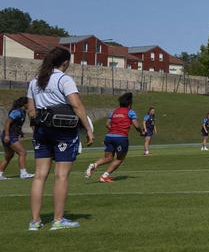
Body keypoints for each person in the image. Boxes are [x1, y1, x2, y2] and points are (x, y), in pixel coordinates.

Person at [26, 47, 94, 231]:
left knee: (39, 176)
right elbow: (77, 105)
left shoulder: (35, 81)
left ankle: (35, 221)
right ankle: (58, 220)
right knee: (61, 176)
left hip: (41, 130)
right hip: (62, 131)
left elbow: (31, 111)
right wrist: (88, 129)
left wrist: (36, 130)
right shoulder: (64, 79)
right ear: (65, 62)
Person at [85, 92, 145, 183]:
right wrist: (141, 132)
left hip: (109, 137)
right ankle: (104, 176)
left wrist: (114, 129)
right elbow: (136, 125)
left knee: (108, 158)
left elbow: (107, 124)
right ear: (130, 104)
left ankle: (94, 165)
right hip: (121, 138)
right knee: (120, 158)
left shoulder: (114, 111)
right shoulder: (130, 112)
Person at [0, 97, 33, 180]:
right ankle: (23, 173)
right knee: (23, 153)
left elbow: (15, 125)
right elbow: (7, 123)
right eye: (29, 103)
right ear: (24, 104)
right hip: (9, 136)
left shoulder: (22, 112)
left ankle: (0, 174)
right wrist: (7, 135)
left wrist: (20, 132)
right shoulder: (17, 112)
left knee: (9, 156)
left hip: (11, 135)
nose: (30, 104)